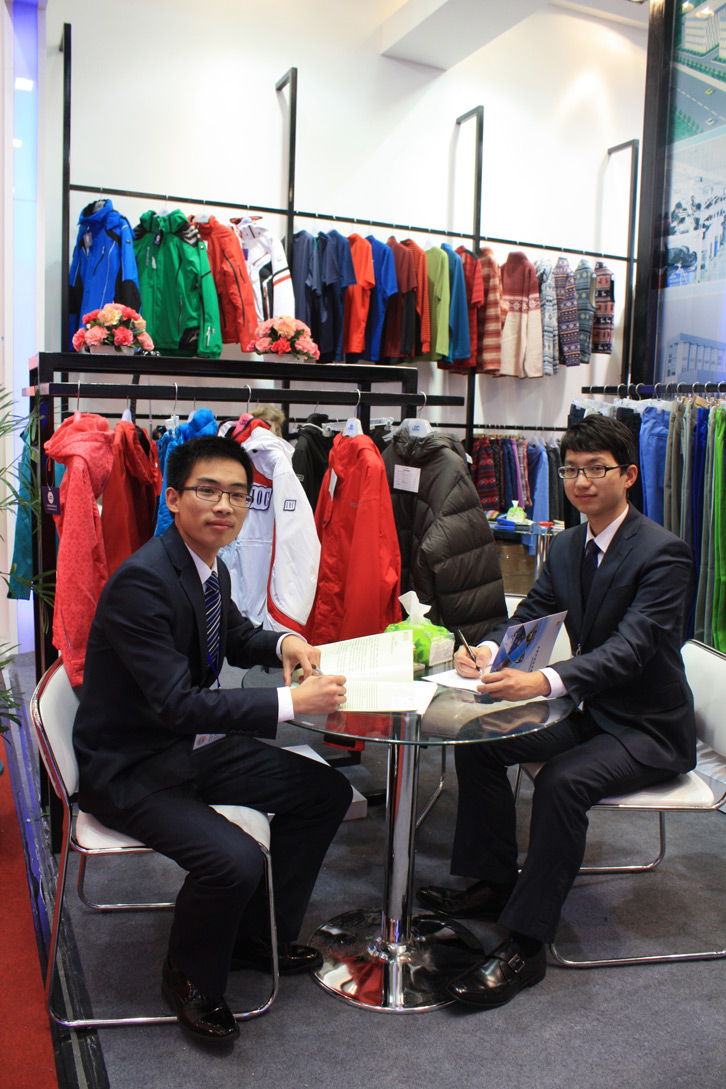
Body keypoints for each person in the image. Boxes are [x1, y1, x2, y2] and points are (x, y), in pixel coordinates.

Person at [73, 435, 352, 1047]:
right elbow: (176, 704)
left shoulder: (207, 566)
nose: (225, 506)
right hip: (133, 767)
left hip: (188, 748)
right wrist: (291, 703)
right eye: (208, 491)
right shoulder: (143, 582)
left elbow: (237, 635)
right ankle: (189, 976)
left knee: (326, 792)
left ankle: (253, 937)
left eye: (237, 494)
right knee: (235, 859)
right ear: (173, 499)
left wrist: (285, 642)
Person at [417, 415, 696, 1010]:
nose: (581, 482)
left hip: (647, 728)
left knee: (563, 783)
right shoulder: (569, 544)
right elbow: (532, 614)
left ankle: (526, 943)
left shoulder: (664, 554)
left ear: (629, 475)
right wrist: (489, 651)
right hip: (592, 711)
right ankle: (495, 883)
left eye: (597, 469)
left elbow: (632, 648)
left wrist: (543, 680)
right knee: (482, 745)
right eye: (571, 470)